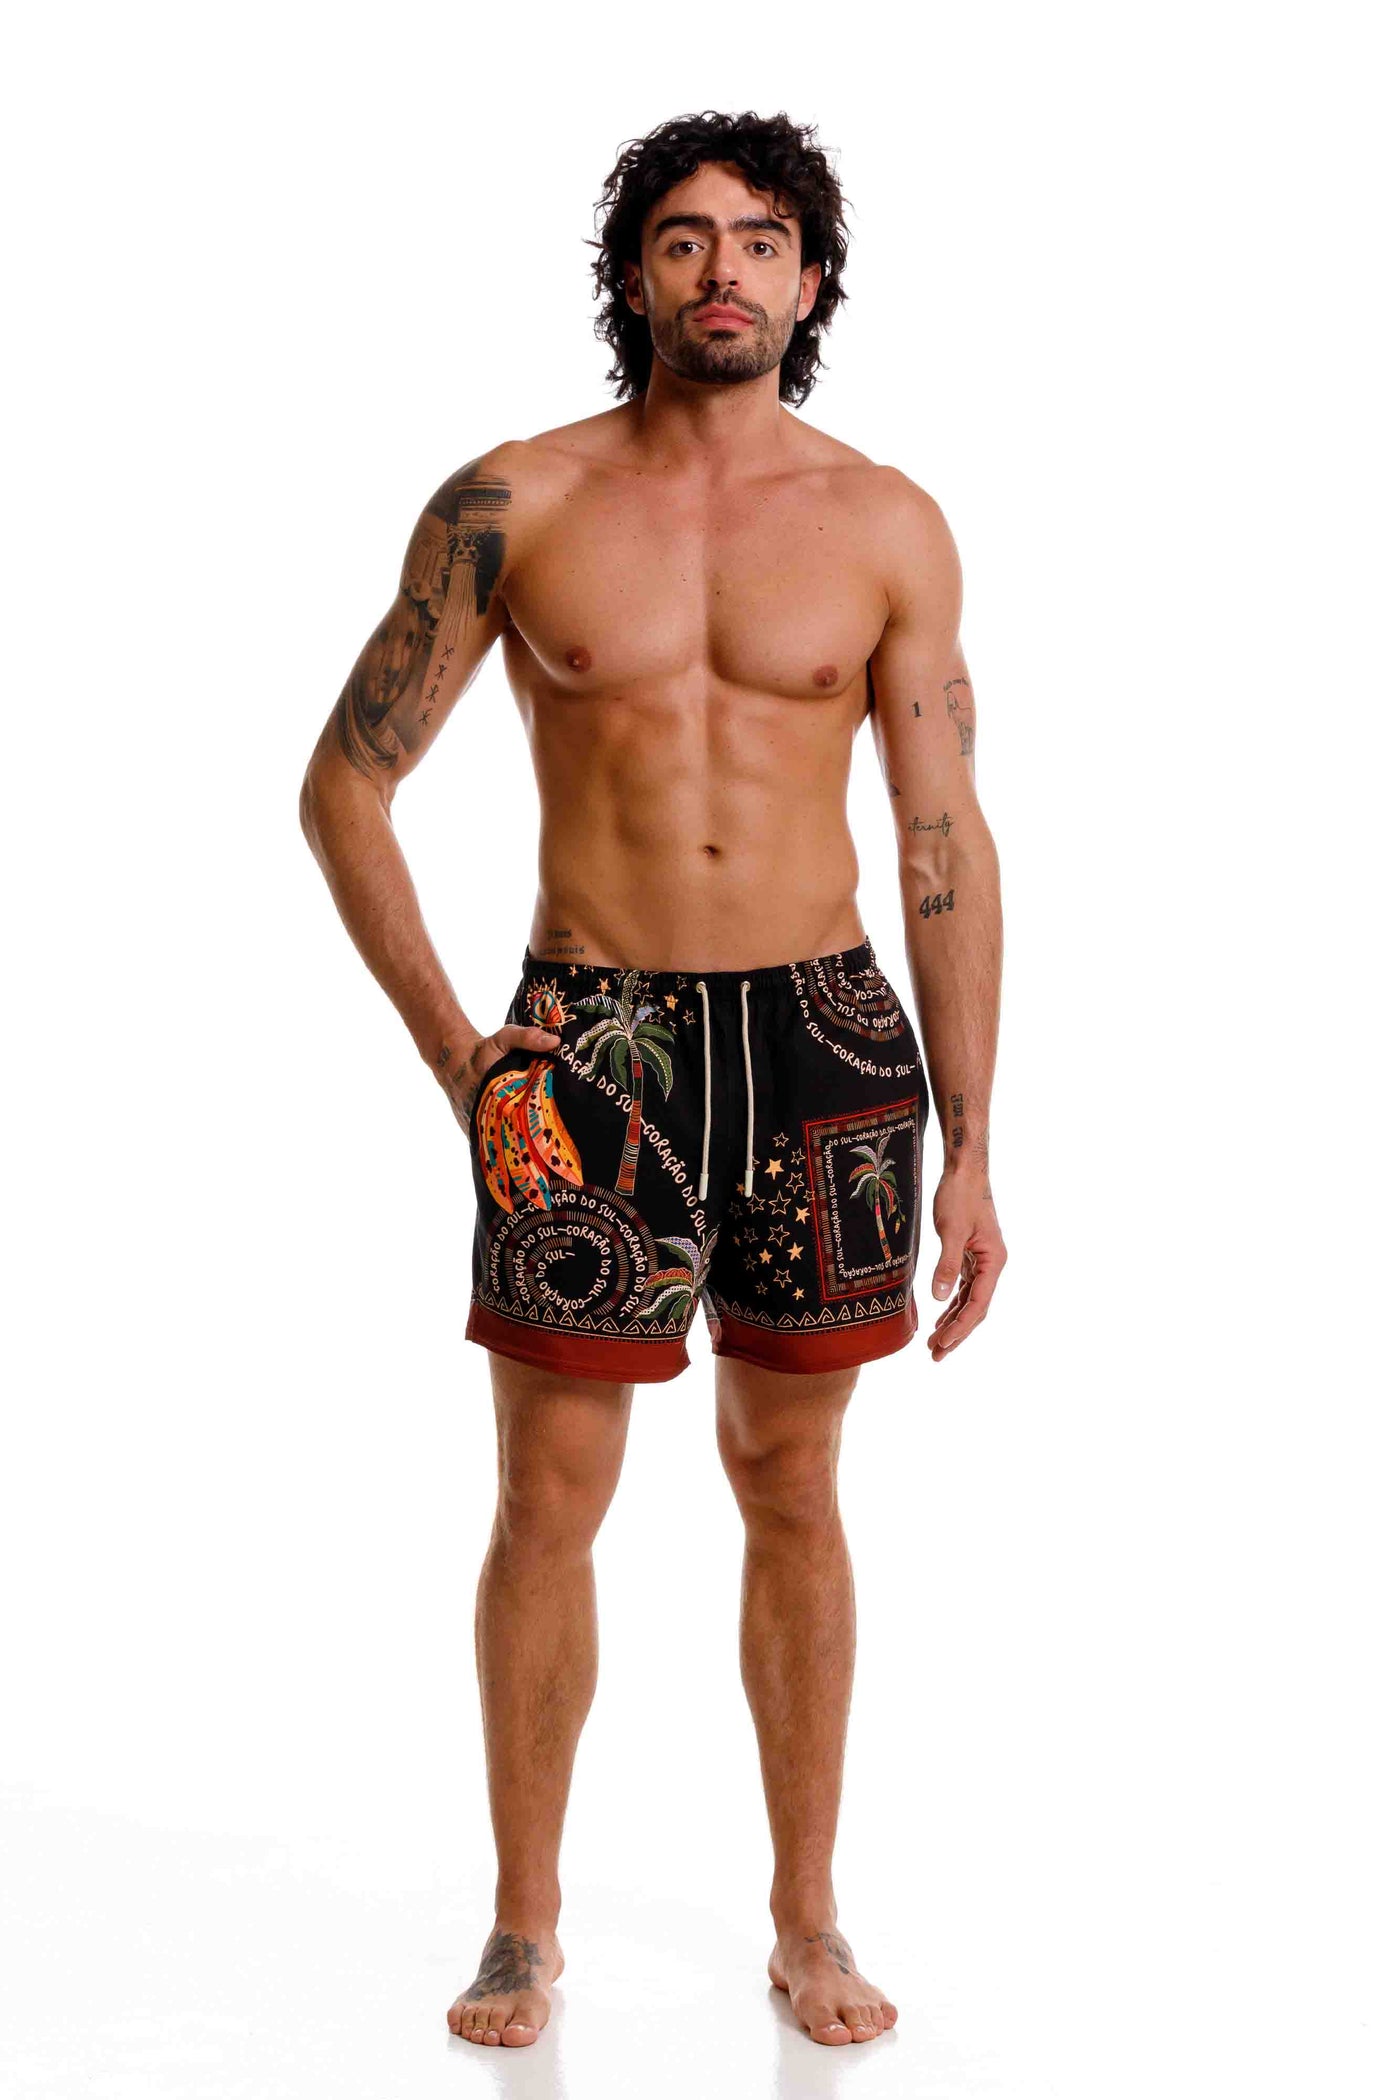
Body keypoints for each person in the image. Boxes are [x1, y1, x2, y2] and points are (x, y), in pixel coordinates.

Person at [299, 107, 1007, 2050]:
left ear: (811, 278)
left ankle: (807, 1918)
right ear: (634, 274)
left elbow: (942, 834)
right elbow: (345, 785)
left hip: (823, 1044)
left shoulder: (884, 522)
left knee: (795, 1482)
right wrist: (465, 1057)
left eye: (761, 239)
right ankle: (523, 1927)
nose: (724, 270)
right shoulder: (515, 502)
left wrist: (972, 1144)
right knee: (548, 1494)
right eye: (685, 238)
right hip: (592, 1044)